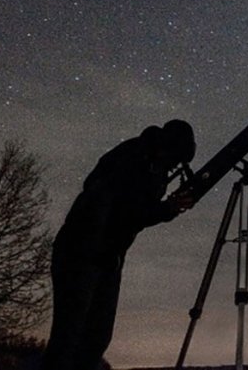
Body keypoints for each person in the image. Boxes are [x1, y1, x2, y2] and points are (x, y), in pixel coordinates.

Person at [41, 119, 197, 370]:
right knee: (69, 336)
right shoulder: (132, 158)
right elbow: (124, 210)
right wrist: (166, 209)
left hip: (107, 257)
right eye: (174, 158)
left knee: (96, 337)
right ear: (166, 147)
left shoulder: (153, 166)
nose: (174, 166)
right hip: (82, 253)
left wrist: (164, 209)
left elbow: (135, 212)